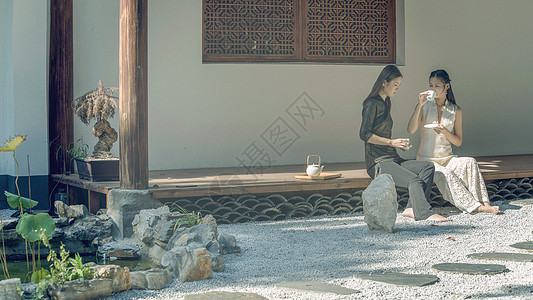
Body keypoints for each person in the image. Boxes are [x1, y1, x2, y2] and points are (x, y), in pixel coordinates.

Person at [359, 65, 450, 222]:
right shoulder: (371, 103)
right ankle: (424, 213)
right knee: (414, 180)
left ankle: (411, 209)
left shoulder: (385, 102)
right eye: (395, 85)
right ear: (384, 82)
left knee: (427, 167)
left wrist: (397, 144)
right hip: (378, 162)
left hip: (392, 158)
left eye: (399, 86)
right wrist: (392, 142)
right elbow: (364, 134)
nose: (397, 89)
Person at [407, 69, 499, 215]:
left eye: (437, 86)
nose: (433, 89)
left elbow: (458, 142)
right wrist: (419, 105)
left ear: (447, 86)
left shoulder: (455, 110)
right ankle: (476, 207)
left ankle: (484, 202)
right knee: (445, 174)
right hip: (427, 162)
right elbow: (411, 130)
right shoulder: (424, 106)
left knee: (470, 162)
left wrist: (444, 132)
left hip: (448, 158)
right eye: (431, 86)